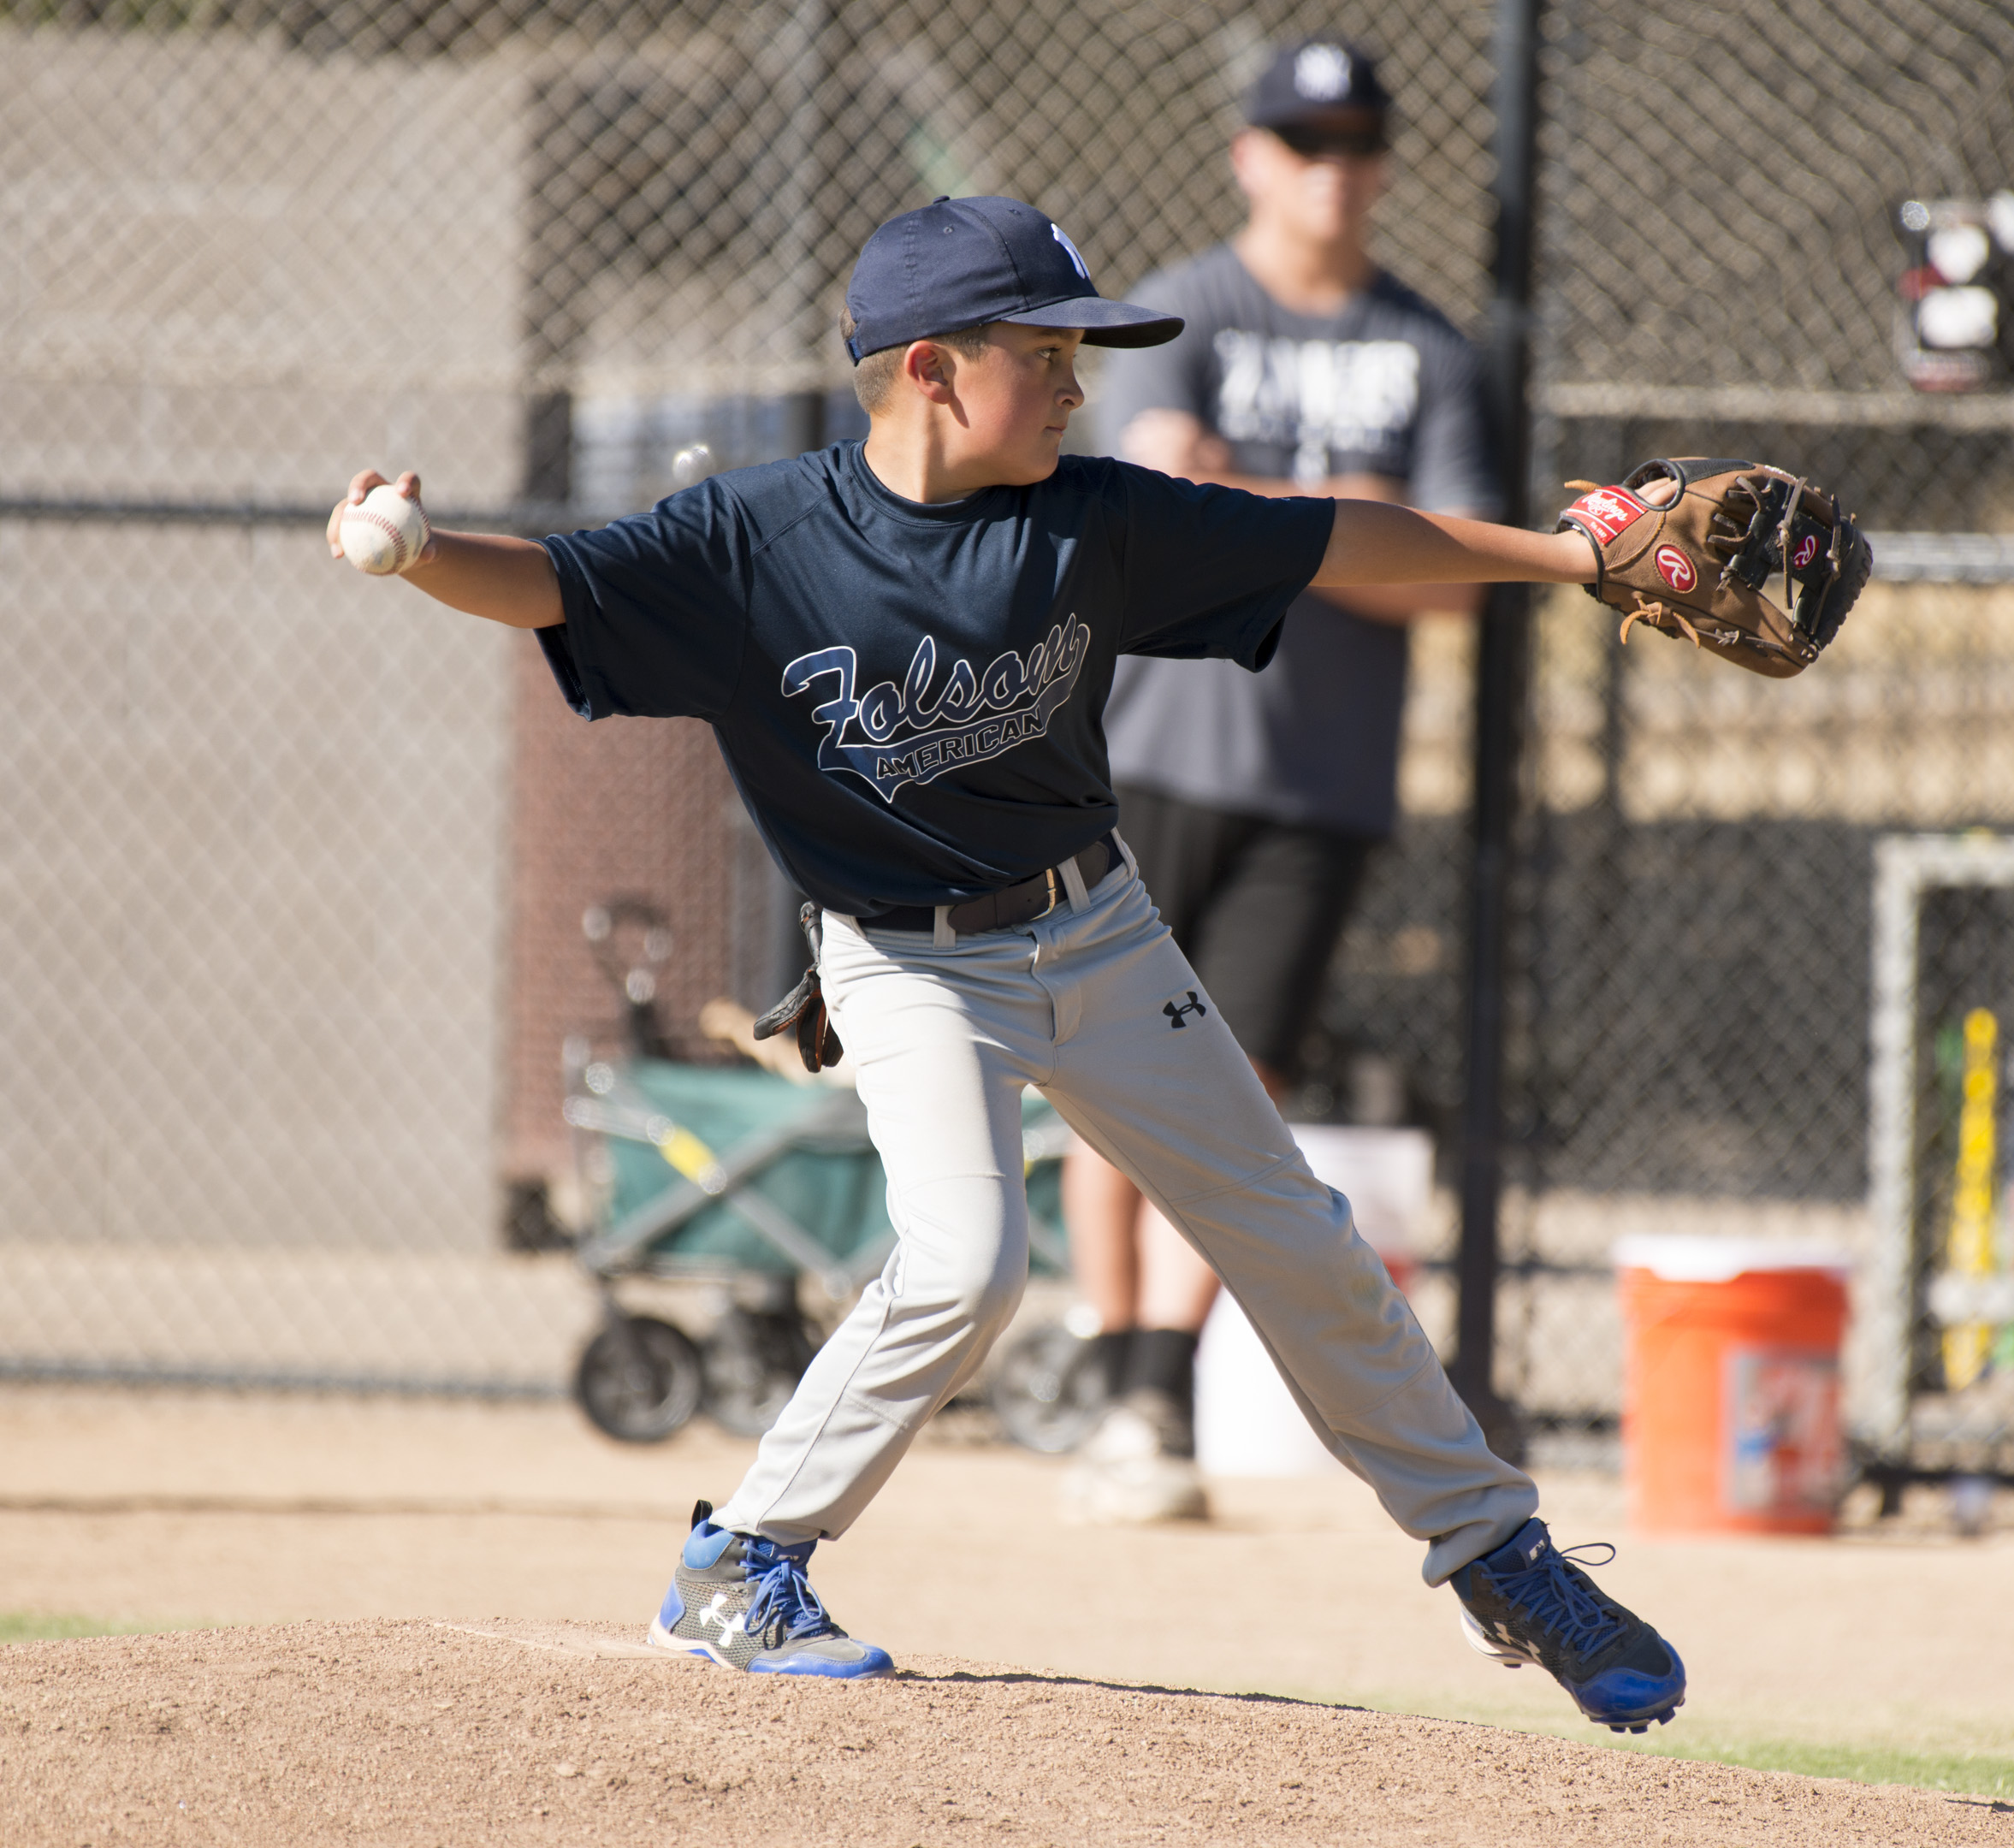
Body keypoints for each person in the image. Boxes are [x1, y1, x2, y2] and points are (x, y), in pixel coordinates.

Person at [323, 194, 1687, 1734]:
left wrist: (1574, 559)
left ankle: (1499, 1557)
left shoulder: (1092, 519)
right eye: (1042, 355)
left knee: (1301, 1242)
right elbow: (556, 583)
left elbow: (1335, 538)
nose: (1074, 385)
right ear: (929, 369)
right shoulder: (757, 541)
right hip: (905, 970)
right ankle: (740, 1564)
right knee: (968, 1265)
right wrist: (420, 548)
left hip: (1101, 929)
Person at [1056, 37, 1495, 1526]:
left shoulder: (1430, 350)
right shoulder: (1181, 311)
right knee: (1108, 1075)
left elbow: (1452, 578)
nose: (1333, 170)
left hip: (1320, 782)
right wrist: (1358, 519)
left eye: (1358, 143)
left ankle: (1151, 1392)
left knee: (1236, 1093)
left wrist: (1253, 499)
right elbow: (1155, 510)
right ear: (1249, 157)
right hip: (1151, 757)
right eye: (1304, 142)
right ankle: (1112, 1370)